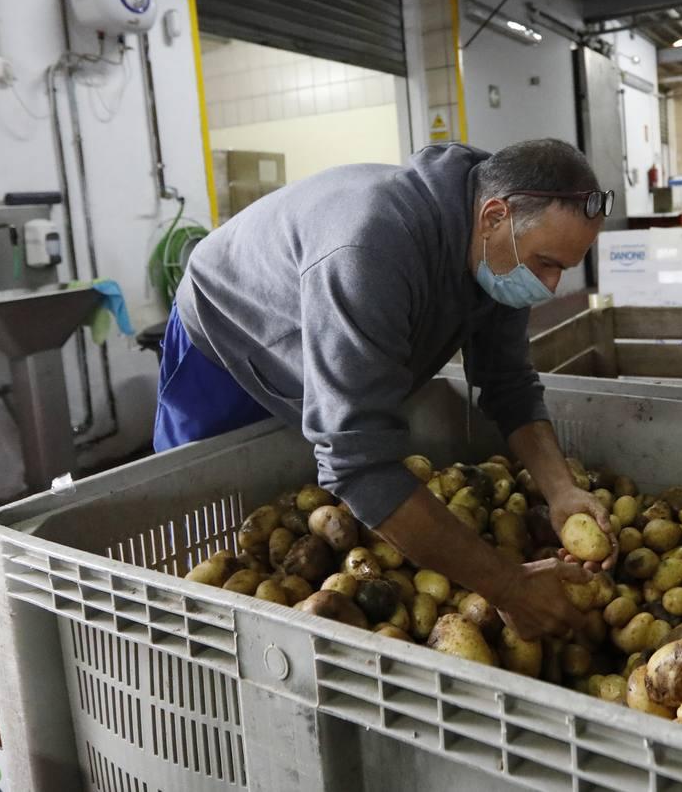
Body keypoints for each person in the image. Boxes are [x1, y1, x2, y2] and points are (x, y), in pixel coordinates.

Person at [156, 139, 618, 640]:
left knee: (306, 494)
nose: (549, 286)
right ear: (493, 216)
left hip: (321, 341)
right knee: (205, 546)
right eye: (547, 262)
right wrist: (508, 586)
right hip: (226, 344)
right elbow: (360, 468)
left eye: (563, 269)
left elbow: (508, 383)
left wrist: (561, 489)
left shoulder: (499, 255)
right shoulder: (369, 250)